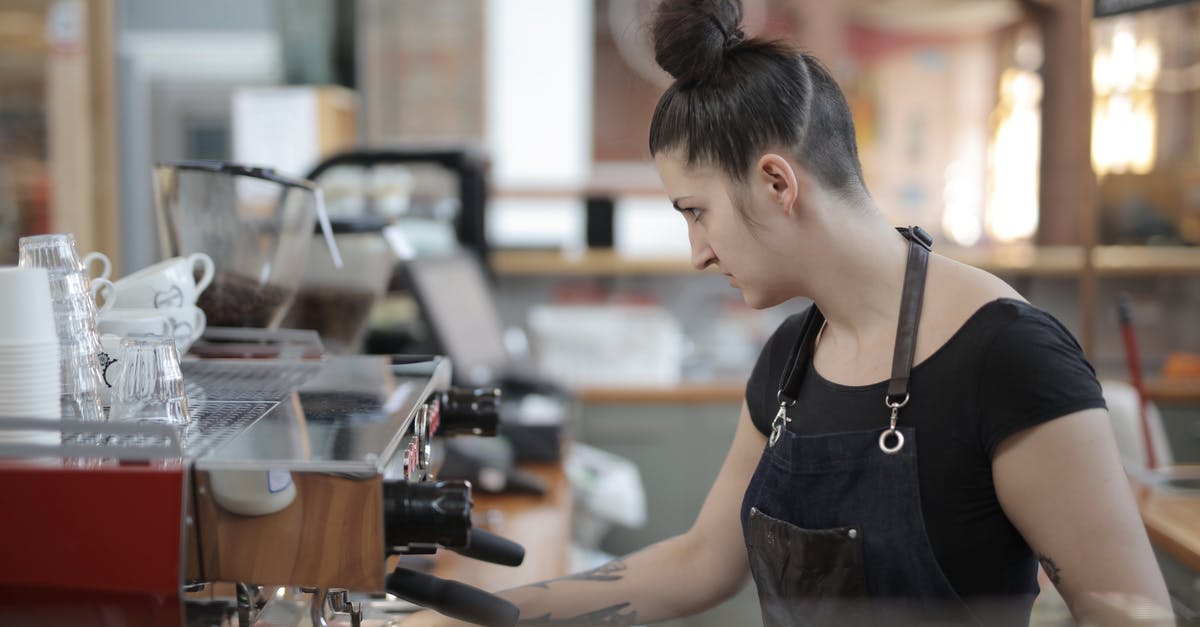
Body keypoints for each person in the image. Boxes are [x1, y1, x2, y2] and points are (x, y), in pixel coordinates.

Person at [402, 0, 1173, 625]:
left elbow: (1134, 614)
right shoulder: (792, 361)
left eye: (697, 211)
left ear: (777, 182)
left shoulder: (1010, 358)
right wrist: (482, 612)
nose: (697, 251)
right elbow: (701, 562)